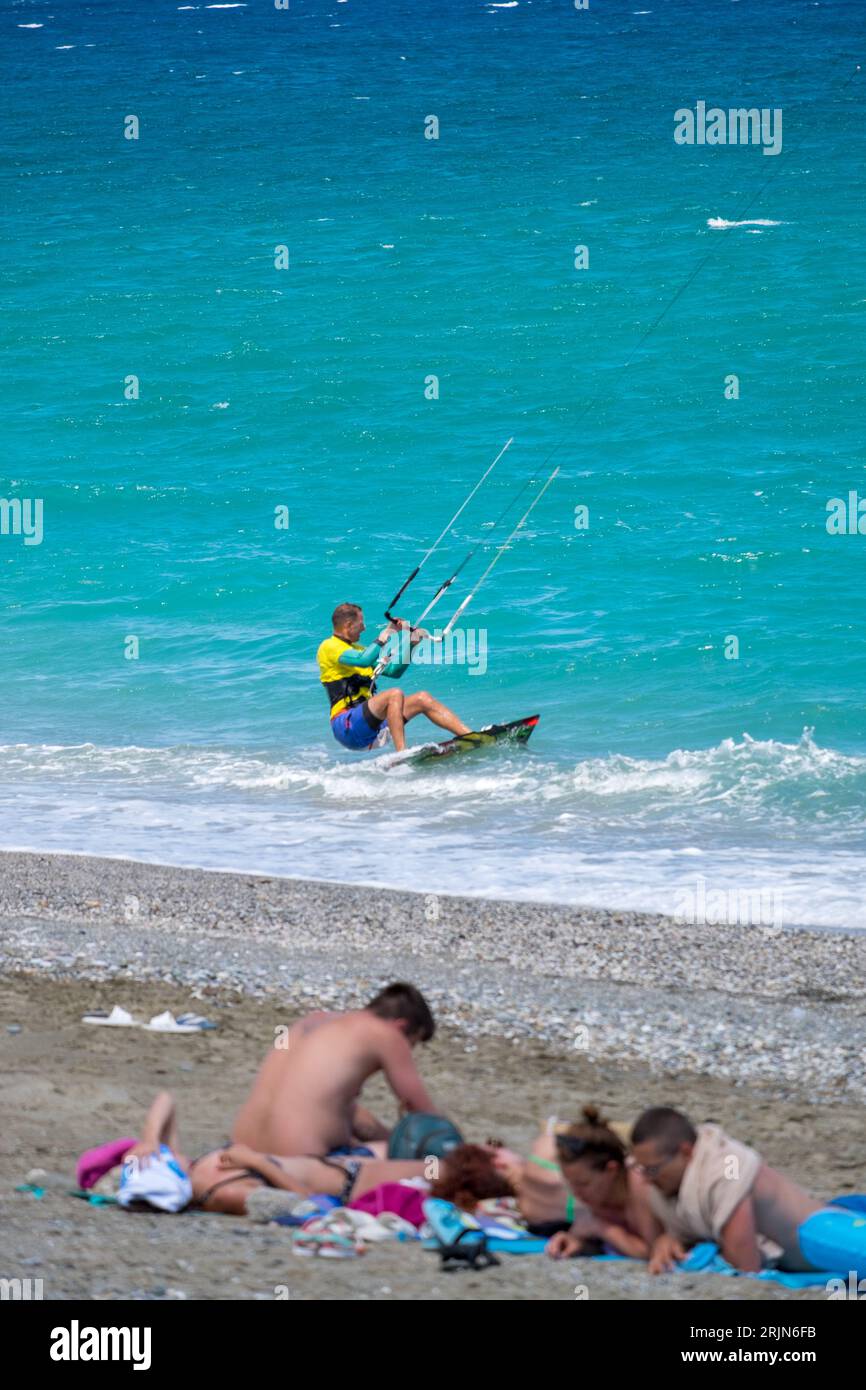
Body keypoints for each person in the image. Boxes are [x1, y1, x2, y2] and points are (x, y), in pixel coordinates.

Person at [114, 1091, 502, 1217]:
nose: (169, 1151)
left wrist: (149, 1140)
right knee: (459, 1172)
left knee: (444, 1156)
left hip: (343, 1160)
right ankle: (521, 1182)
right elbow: (303, 1204)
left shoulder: (199, 1166)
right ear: (172, 1179)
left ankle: (514, 1172)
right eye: (164, 1157)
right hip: (352, 1181)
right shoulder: (223, 1191)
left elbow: (166, 1100)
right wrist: (257, 1162)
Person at [231, 982, 438, 1158]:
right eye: (411, 1045)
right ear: (401, 1026)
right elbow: (426, 1118)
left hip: (243, 1150)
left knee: (370, 1131)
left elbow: (326, 1105)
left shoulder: (313, 1021)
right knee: (415, 1163)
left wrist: (388, 1136)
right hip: (300, 1163)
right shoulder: (387, 1034)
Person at [630, 1106, 824, 1273]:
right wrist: (669, 1240)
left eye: (653, 1170)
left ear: (686, 1152)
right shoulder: (668, 1183)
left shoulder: (729, 1166)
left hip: (825, 1237)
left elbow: (745, 1266)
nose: (647, 1179)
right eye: (642, 1169)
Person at [317, 602, 470, 752]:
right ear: (349, 624)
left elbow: (393, 671)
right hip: (347, 726)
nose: (364, 628)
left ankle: (470, 736)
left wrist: (411, 644)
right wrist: (383, 637)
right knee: (394, 694)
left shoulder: (359, 650)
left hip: (372, 727)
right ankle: (402, 753)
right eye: (361, 623)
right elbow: (363, 661)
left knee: (422, 698)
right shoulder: (329, 647)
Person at [543, 1107, 657, 1259]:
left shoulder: (640, 1185)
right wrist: (573, 1240)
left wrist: (603, 1228)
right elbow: (587, 1233)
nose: (576, 1192)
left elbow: (652, 1252)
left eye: (583, 1183)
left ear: (611, 1170)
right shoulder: (599, 1193)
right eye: (570, 1183)